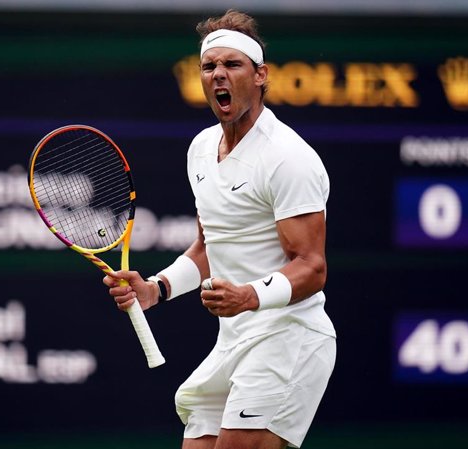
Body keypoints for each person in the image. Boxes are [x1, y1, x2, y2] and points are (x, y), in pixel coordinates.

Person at [103, 9, 336, 449]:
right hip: (234, 344)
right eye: (209, 66)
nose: (218, 75)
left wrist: (248, 296)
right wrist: (158, 288)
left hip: (289, 339)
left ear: (261, 75)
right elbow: (209, 246)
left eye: (232, 64)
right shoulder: (201, 149)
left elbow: (313, 267)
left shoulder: (289, 157)